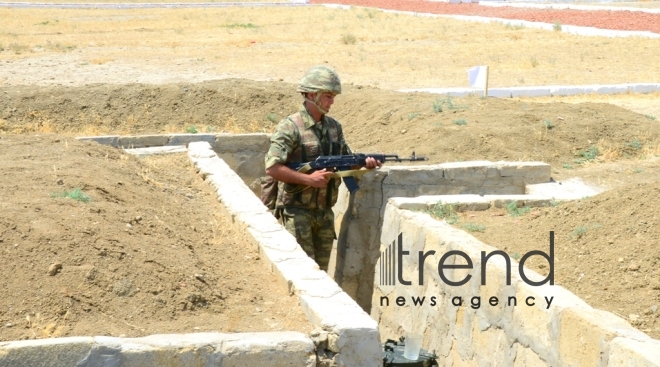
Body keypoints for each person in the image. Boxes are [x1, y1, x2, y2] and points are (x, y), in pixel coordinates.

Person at [264, 65, 380, 271]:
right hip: (297, 213)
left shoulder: (334, 127)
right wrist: (308, 179)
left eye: (333, 96)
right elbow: (272, 168)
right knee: (301, 272)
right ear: (311, 94)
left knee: (321, 273)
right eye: (328, 96)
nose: (332, 101)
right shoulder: (290, 126)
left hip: (325, 214)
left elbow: (346, 160)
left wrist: (365, 163)